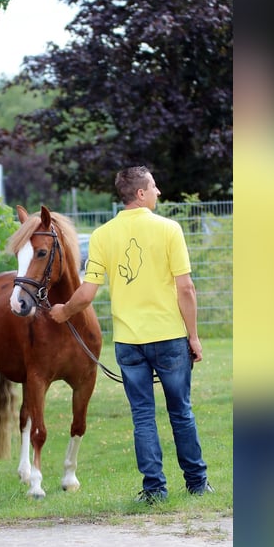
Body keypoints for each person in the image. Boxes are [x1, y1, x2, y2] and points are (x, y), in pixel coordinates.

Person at [50, 166, 212, 503]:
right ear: (140, 193)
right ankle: (197, 483)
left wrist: (62, 311)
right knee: (180, 411)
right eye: (153, 186)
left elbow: (86, 293)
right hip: (169, 338)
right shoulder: (170, 229)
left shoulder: (102, 235)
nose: (159, 191)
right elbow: (186, 289)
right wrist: (193, 337)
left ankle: (154, 490)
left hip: (128, 343)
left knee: (142, 416)